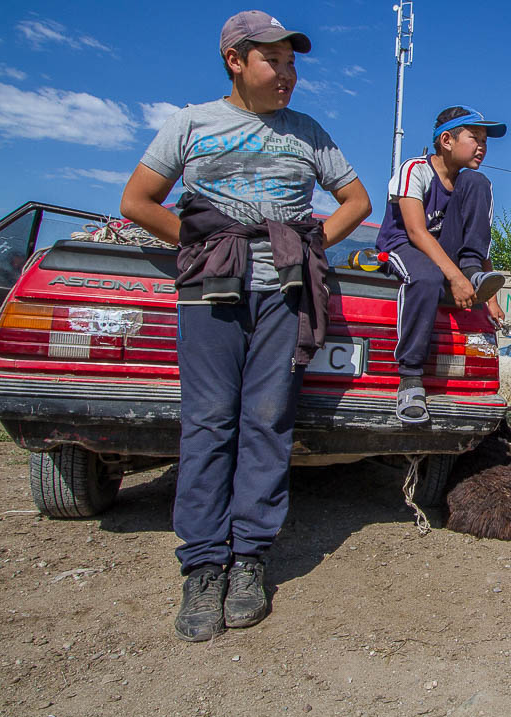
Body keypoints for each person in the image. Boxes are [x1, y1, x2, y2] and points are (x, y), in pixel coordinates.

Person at [119, 10, 371, 642]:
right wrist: (203, 246)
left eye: (292, 63)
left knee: (267, 420)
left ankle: (250, 558)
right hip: (210, 294)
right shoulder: (192, 123)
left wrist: (312, 244)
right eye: (273, 61)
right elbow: (137, 201)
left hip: (283, 294)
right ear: (235, 60)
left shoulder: (307, 132)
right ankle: (203, 564)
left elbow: (357, 202)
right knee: (208, 421)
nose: (286, 74)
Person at [375, 106, 507, 424]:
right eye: (475, 138)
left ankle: (471, 271)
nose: (482, 147)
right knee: (426, 277)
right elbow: (416, 232)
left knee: (479, 181)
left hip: (444, 256)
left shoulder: (468, 185)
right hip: (403, 246)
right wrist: (454, 277)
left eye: (485, 141)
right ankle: (410, 378)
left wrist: (488, 295)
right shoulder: (415, 169)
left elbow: (478, 237)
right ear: (446, 140)